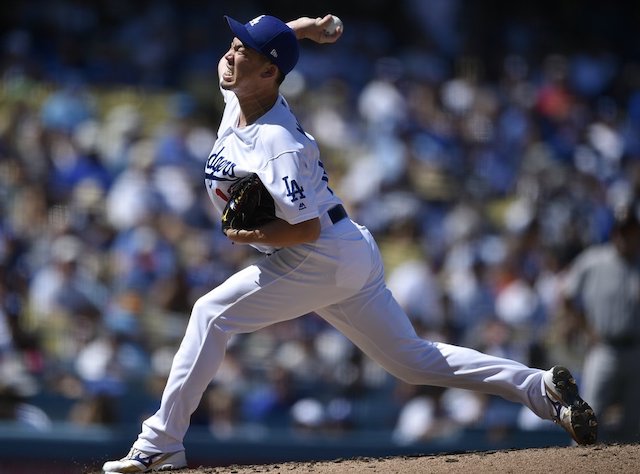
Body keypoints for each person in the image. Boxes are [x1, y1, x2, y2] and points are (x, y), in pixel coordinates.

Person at [102, 13, 597, 473]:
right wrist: (306, 27)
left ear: (269, 74)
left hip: (318, 252)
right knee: (412, 360)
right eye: (233, 45)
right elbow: (260, 49)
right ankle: (540, 389)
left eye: (242, 51)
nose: (229, 56)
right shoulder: (241, 96)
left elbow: (306, 228)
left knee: (211, 313)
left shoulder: (280, 143)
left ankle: (161, 441)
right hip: (347, 250)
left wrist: (250, 233)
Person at [559, 206, 640, 443]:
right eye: (621, 231)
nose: (625, 237)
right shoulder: (594, 261)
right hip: (604, 348)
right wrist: (585, 328)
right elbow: (567, 295)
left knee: (634, 423)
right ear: (614, 233)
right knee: (588, 415)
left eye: (631, 232)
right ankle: (579, 466)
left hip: (636, 349)